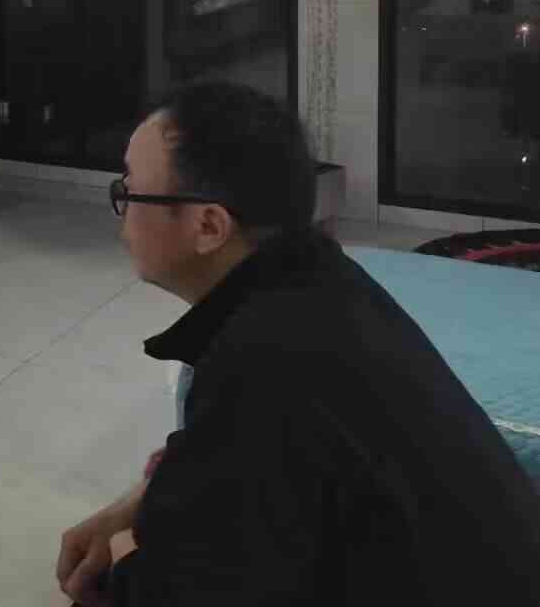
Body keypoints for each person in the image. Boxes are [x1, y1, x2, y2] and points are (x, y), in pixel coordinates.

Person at [57, 82, 540, 607]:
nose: (122, 207)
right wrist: (133, 507)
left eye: (130, 192)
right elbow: (227, 466)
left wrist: (125, 550)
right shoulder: (322, 279)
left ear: (209, 225)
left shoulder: (262, 364)